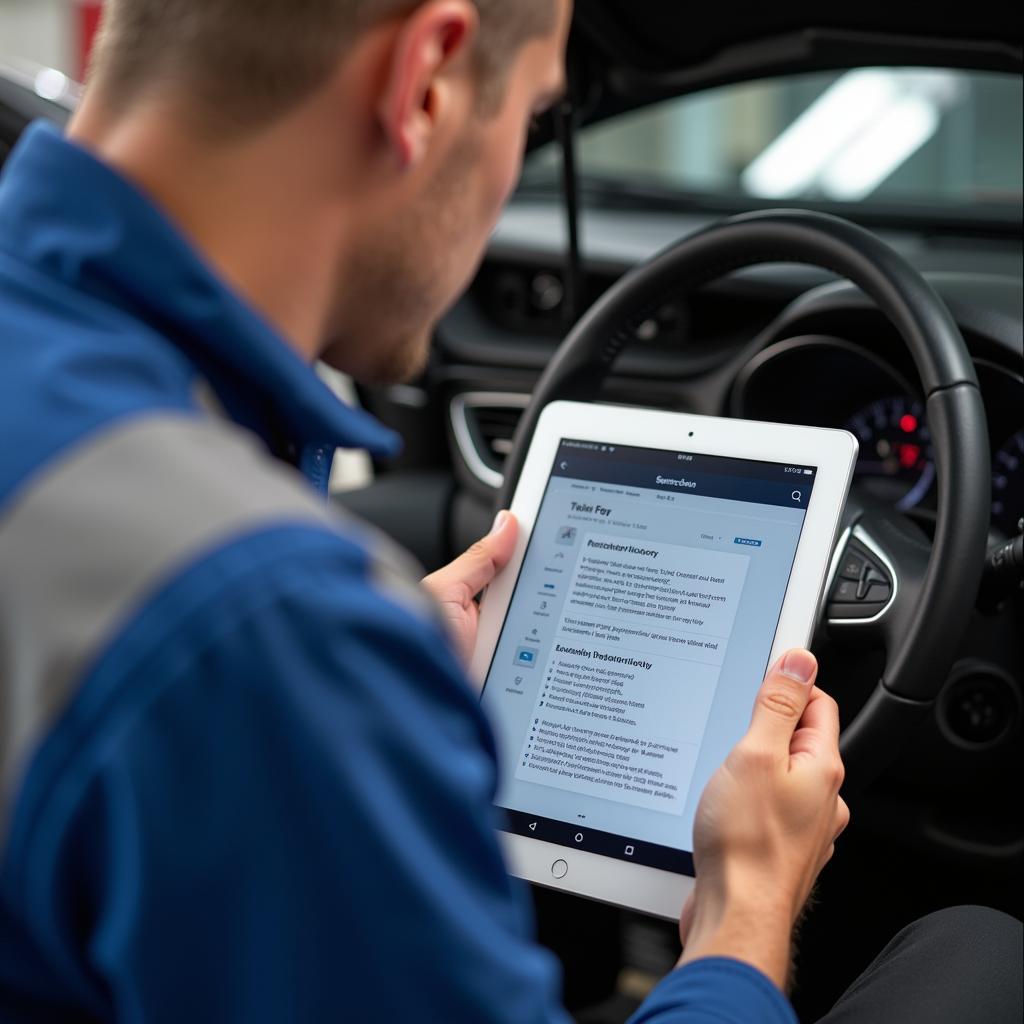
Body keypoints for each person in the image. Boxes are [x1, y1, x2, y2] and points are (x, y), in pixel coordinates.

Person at [0, 1, 1019, 1021]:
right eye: (531, 119)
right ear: (428, 84)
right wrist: (743, 907)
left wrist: (376, 694)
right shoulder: (264, 622)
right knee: (981, 950)